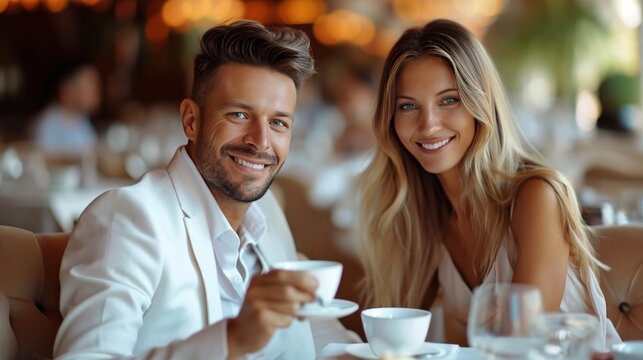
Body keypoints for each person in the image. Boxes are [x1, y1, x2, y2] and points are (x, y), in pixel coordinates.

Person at [55, 20, 354, 359]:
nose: (260, 142)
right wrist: (233, 339)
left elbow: (311, 330)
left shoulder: (268, 212)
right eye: (240, 114)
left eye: (277, 123)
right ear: (191, 120)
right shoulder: (129, 219)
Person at [357, 19, 621, 351]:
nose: (428, 125)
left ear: (481, 103)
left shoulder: (536, 197)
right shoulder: (428, 218)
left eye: (449, 100)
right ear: (391, 120)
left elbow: (522, 347)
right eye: (408, 106)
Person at [34, 60, 100, 156]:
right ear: (67, 90)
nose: (96, 93)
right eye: (89, 87)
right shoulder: (49, 124)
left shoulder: (81, 119)